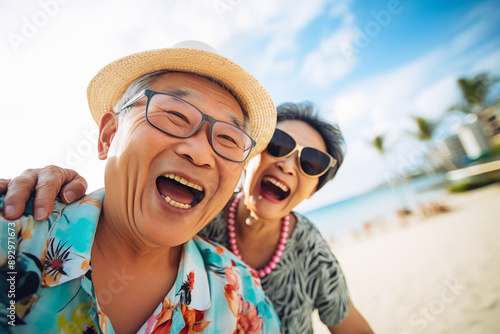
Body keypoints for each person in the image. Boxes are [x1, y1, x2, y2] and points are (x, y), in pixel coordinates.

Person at [2, 103, 375, 333]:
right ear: (249, 159)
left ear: (313, 190)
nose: (288, 164)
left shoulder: (312, 255)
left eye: (311, 163)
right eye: (277, 145)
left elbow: (347, 322)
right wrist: (52, 187)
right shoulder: (196, 211)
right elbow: (129, 199)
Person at [0, 41, 282, 333]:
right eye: (175, 116)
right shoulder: (11, 233)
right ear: (108, 137)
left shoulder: (244, 296)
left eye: (229, 139)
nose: (199, 153)